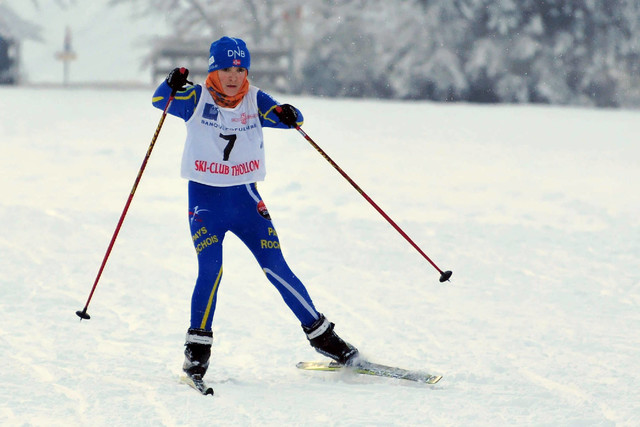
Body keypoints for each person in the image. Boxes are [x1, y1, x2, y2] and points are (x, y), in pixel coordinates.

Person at [152, 36, 359, 382]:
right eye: (225, 69)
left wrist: (291, 114)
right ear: (213, 69)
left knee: (277, 268)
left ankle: (324, 338)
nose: (233, 76)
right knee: (211, 270)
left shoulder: (254, 98)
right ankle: (197, 352)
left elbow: (289, 118)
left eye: (240, 69)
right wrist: (171, 83)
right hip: (205, 203)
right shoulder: (195, 97)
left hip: (246, 202)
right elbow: (161, 99)